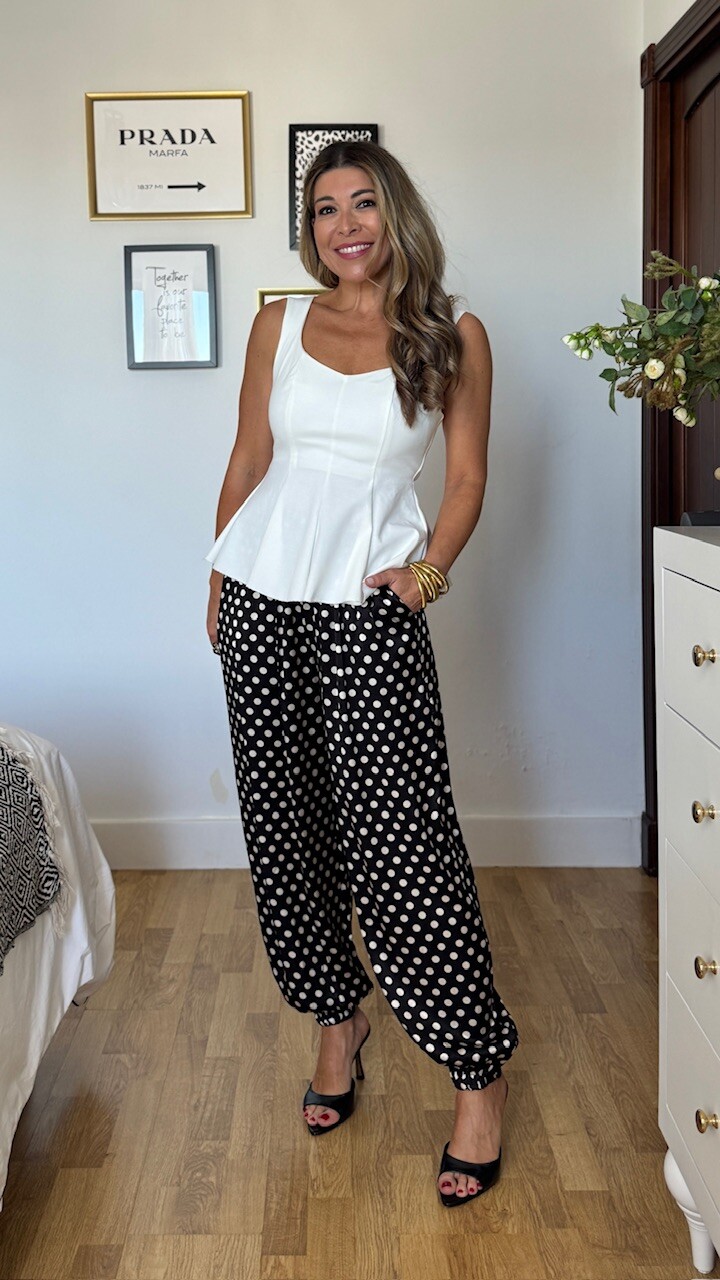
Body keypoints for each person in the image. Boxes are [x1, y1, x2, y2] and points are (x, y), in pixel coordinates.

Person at [205, 140, 519, 1207]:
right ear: (312, 230)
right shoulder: (276, 324)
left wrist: (426, 576)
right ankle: (337, 1028)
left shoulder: (451, 333)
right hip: (260, 598)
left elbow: (466, 478)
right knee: (284, 829)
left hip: (370, 612)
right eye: (325, 208)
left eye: (364, 203)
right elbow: (250, 458)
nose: (345, 225)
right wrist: (216, 575)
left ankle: (477, 1075)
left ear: (396, 214)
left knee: (405, 844)